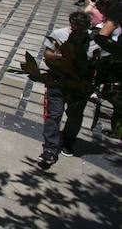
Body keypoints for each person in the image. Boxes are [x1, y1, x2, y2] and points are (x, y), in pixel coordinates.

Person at [37, 11, 93, 168]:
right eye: (74, 29)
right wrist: (59, 56)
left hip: (79, 85)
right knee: (54, 114)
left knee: (75, 115)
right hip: (58, 81)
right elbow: (47, 54)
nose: (76, 33)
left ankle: (68, 141)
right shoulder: (59, 34)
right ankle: (50, 148)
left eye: (81, 30)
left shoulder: (94, 40)